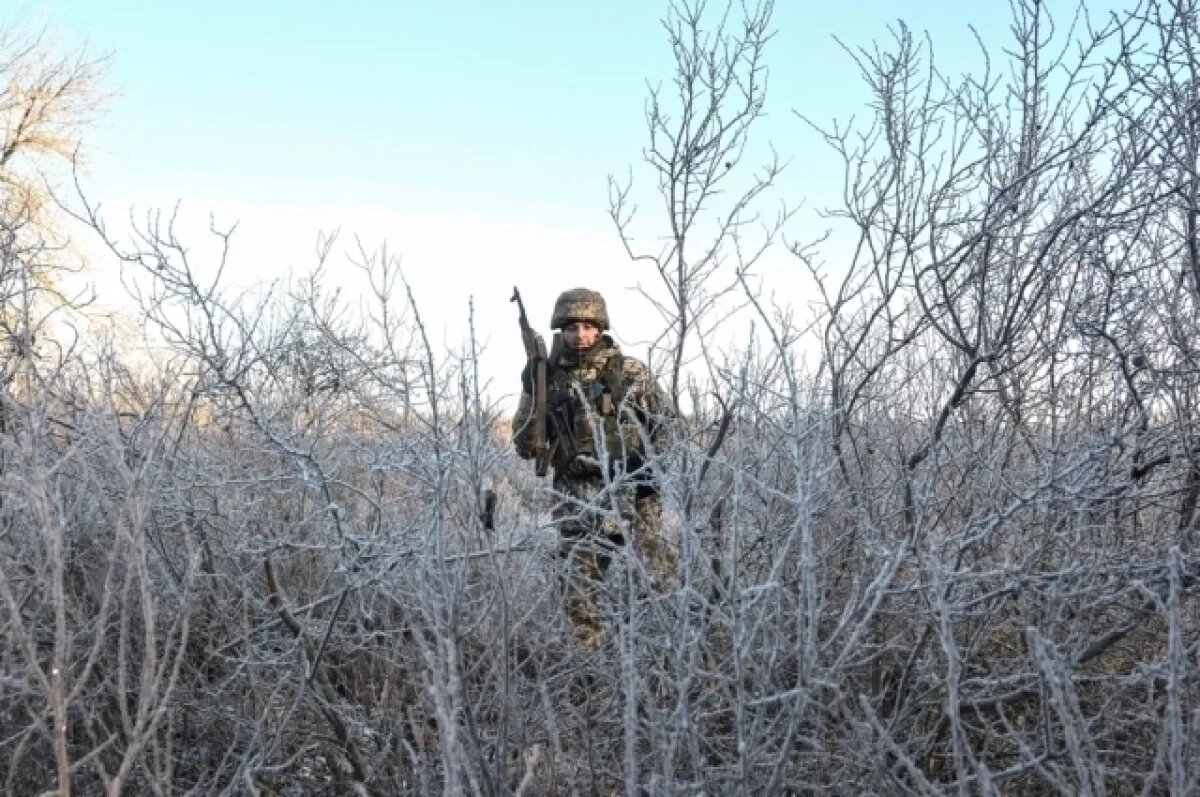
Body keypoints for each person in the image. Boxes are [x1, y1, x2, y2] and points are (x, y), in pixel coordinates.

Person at [512, 288, 678, 650]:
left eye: (588, 326)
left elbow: (669, 426)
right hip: (577, 501)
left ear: (600, 327)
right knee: (578, 595)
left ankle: (672, 660)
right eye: (572, 327)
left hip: (633, 495)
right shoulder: (546, 377)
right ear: (561, 329)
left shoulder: (630, 372)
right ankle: (596, 673)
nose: (580, 335)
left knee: (662, 582)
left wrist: (649, 468)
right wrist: (533, 390)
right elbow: (525, 447)